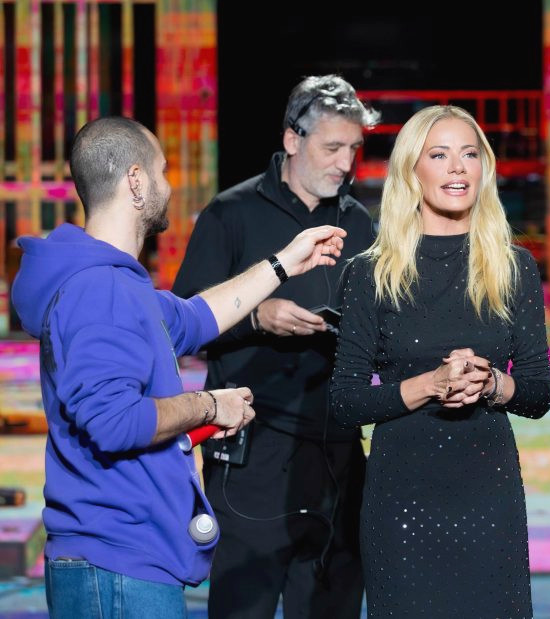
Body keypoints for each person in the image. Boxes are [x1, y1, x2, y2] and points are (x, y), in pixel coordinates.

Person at [10, 116, 346, 617]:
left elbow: (197, 317)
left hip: (125, 561)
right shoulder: (99, 289)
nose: (169, 186)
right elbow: (115, 422)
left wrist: (283, 263)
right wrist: (210, 405)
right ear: (136, 181)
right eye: (162, 171)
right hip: (116, 563)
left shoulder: (119, 285)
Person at [329, 105, 550, 618]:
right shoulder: (370, 274)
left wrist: (491, 383)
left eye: (469, 154)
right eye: (439, 155)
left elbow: (538, 393)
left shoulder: (515, 267)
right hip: (401, 502)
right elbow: (345, 402)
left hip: (488, 497)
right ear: (412, 170)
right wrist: (428, 385)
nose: (457, 168)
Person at [171, 75, 378, 618]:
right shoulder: (230, 213)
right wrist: (256, 317)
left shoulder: (359, 224)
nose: (345, 163)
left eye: (354, 149)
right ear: (292, 139)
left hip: (337, 454)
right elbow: (182, 323)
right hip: (251, 454)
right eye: (332, 148)